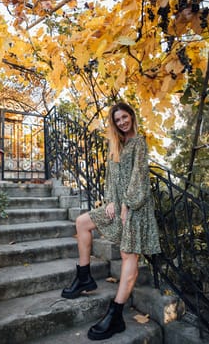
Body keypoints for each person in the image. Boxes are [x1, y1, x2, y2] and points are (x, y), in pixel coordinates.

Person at [61, 102, 161, 340]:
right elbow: (109, 178)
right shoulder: (116, 144)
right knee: (83, 223)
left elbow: (139, 178)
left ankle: (116, 315)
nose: (122, 122)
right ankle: (84, 276)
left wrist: (126, 203)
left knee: (129, 255)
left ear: (132, 116)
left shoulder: (139, 142)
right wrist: (110, 201)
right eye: (118, 120)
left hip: (136, 207)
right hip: (118, 205)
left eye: (125, 117)